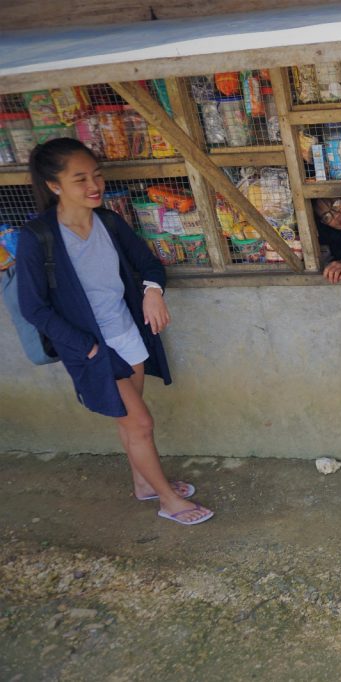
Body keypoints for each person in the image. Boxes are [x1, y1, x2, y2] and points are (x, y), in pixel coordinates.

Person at [18, 138, 212, 526]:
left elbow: (149, 265)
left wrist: (153, 294)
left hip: (127, 335)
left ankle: (143, 484)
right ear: (55, 186)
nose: (94, 185)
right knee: (139, 423)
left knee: (130, 422)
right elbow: (33, 307)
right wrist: (85, 346)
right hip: (90, 348)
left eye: (97, 175)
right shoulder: (38, 236)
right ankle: (168, 501)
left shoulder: (108, 221)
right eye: (80, 179)